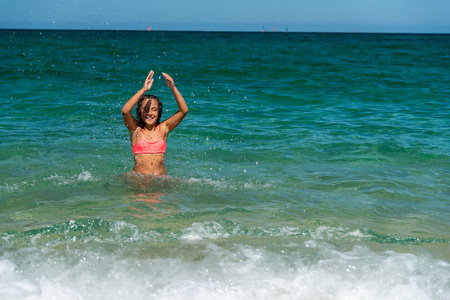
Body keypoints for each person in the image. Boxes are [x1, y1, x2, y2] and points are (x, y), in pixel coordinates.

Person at [122, 70, 188, 176]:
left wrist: (173, 88)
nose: (149, 113)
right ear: (140, 111)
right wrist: (143, 89)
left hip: (160, 181)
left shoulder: (163, 128)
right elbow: (125, 111)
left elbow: (183, 110)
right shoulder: (135, 130)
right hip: (139, 181)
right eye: (146, 109)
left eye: (154, 109)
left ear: (159, 112)